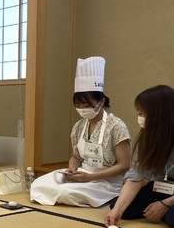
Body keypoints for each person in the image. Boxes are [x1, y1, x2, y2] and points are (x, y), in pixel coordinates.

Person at [31, 57, 131, 207]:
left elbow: (124, 165)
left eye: (87, 105)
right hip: (82, 175)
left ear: (101, 102)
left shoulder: (116, 127)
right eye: (78, 105)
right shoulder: (79, 126)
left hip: (105, 182)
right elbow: (76, 156)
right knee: (39, 183)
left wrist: (91, 177)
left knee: (64, 193)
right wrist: (71, 170)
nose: (82, 109)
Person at [105, 85, 174, 228]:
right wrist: (118, 210)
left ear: (159, 114)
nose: (140, 118)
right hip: (162, 187)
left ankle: (166, 212)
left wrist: (164, 204)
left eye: (142, 113)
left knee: (172, 216)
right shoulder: (150, 137)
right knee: (118, 206)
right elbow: (136, 176)